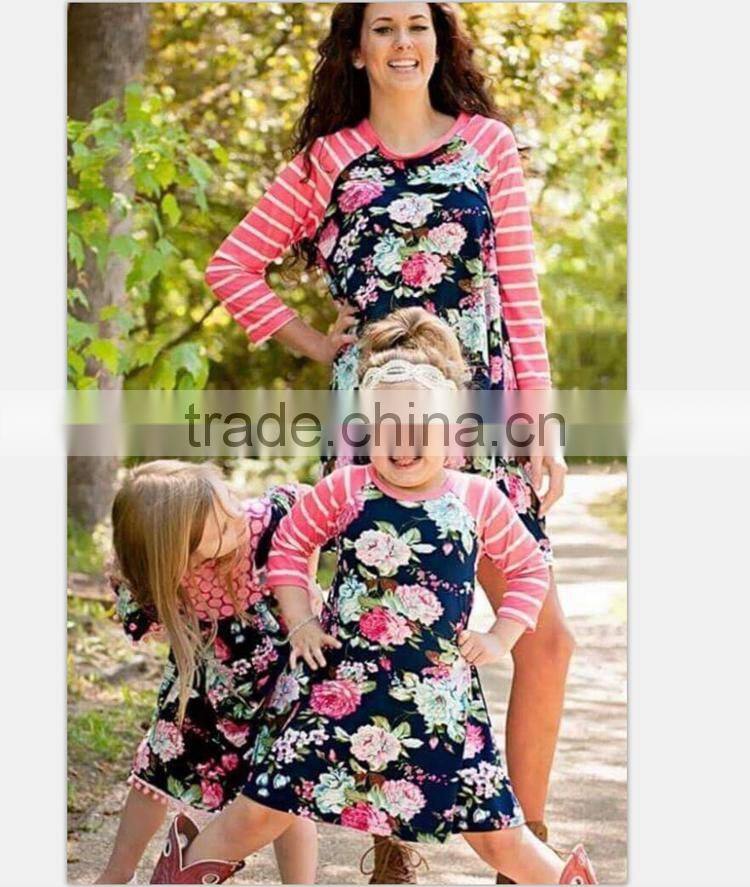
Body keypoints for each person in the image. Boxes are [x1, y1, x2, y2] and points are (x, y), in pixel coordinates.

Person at [205, 4, 572, 881]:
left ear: (439, 41)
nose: (404, 42)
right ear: (357, 48)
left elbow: (518, 295)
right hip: (379, 419)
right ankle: (389, 838)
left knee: (545, 634)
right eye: (384, 28)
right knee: (384, 628)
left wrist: (542, 422)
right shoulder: (330, 158)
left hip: (480, 407)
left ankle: (526, 846)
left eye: (419, 24)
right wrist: (316, 341)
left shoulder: (491, 145)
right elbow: (232, 266)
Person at [147, 310, 595, 885]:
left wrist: (500, 634)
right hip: (342, 691)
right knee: (268, 801)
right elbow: (288, 548)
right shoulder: (345, 489)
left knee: (495, 832)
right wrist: (301, 620)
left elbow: (529, 570)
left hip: (439, 702)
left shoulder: (478, 497)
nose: (402, 444)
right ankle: (182, 873)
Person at [94, 460, 318, 885]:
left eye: (228, 502)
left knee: (284, 791)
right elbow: (147, 611)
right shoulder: (161, 577)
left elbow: (304, 502)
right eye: (219, 526)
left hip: (278, 679)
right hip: (203, 682)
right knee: (157, 766)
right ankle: (115, 874)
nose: (236, 517)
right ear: (179, 553)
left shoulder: (258, 523)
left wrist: (303, 584)